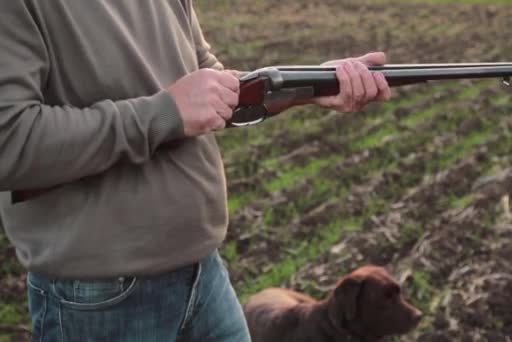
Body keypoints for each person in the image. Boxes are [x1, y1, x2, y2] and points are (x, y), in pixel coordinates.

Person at [0, 1, 391, 341]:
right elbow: (10, 142)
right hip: (100, 294)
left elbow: (216, 88)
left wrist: (313, 84)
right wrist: (166, 113)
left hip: (203, 271)